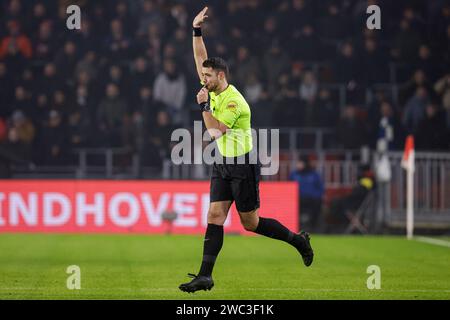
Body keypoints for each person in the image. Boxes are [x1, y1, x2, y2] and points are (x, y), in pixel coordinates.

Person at [179, 7, 314, 293]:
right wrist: (196, 31)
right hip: (223, 162)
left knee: (251, 223)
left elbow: (214, 131)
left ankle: (298, 240)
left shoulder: (233, 102)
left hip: (243, 164)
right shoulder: (212, 85)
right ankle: (205, 276)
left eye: (207, 76)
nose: (202, 78)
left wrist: (203, 105)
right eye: (202, 75)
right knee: (215, 216)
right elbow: (199, 57)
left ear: (220, 76)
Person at [289, 156, 324, 232]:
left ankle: (314, 227)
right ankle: (295, 227)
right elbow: (289, 187)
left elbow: (320, 188)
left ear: (305, 164)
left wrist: (316, 196)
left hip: (312, 199)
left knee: (318, 204)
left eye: (299, 163)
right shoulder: (294, 174)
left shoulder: (314, 174)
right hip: (297, 199)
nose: (298, 165)